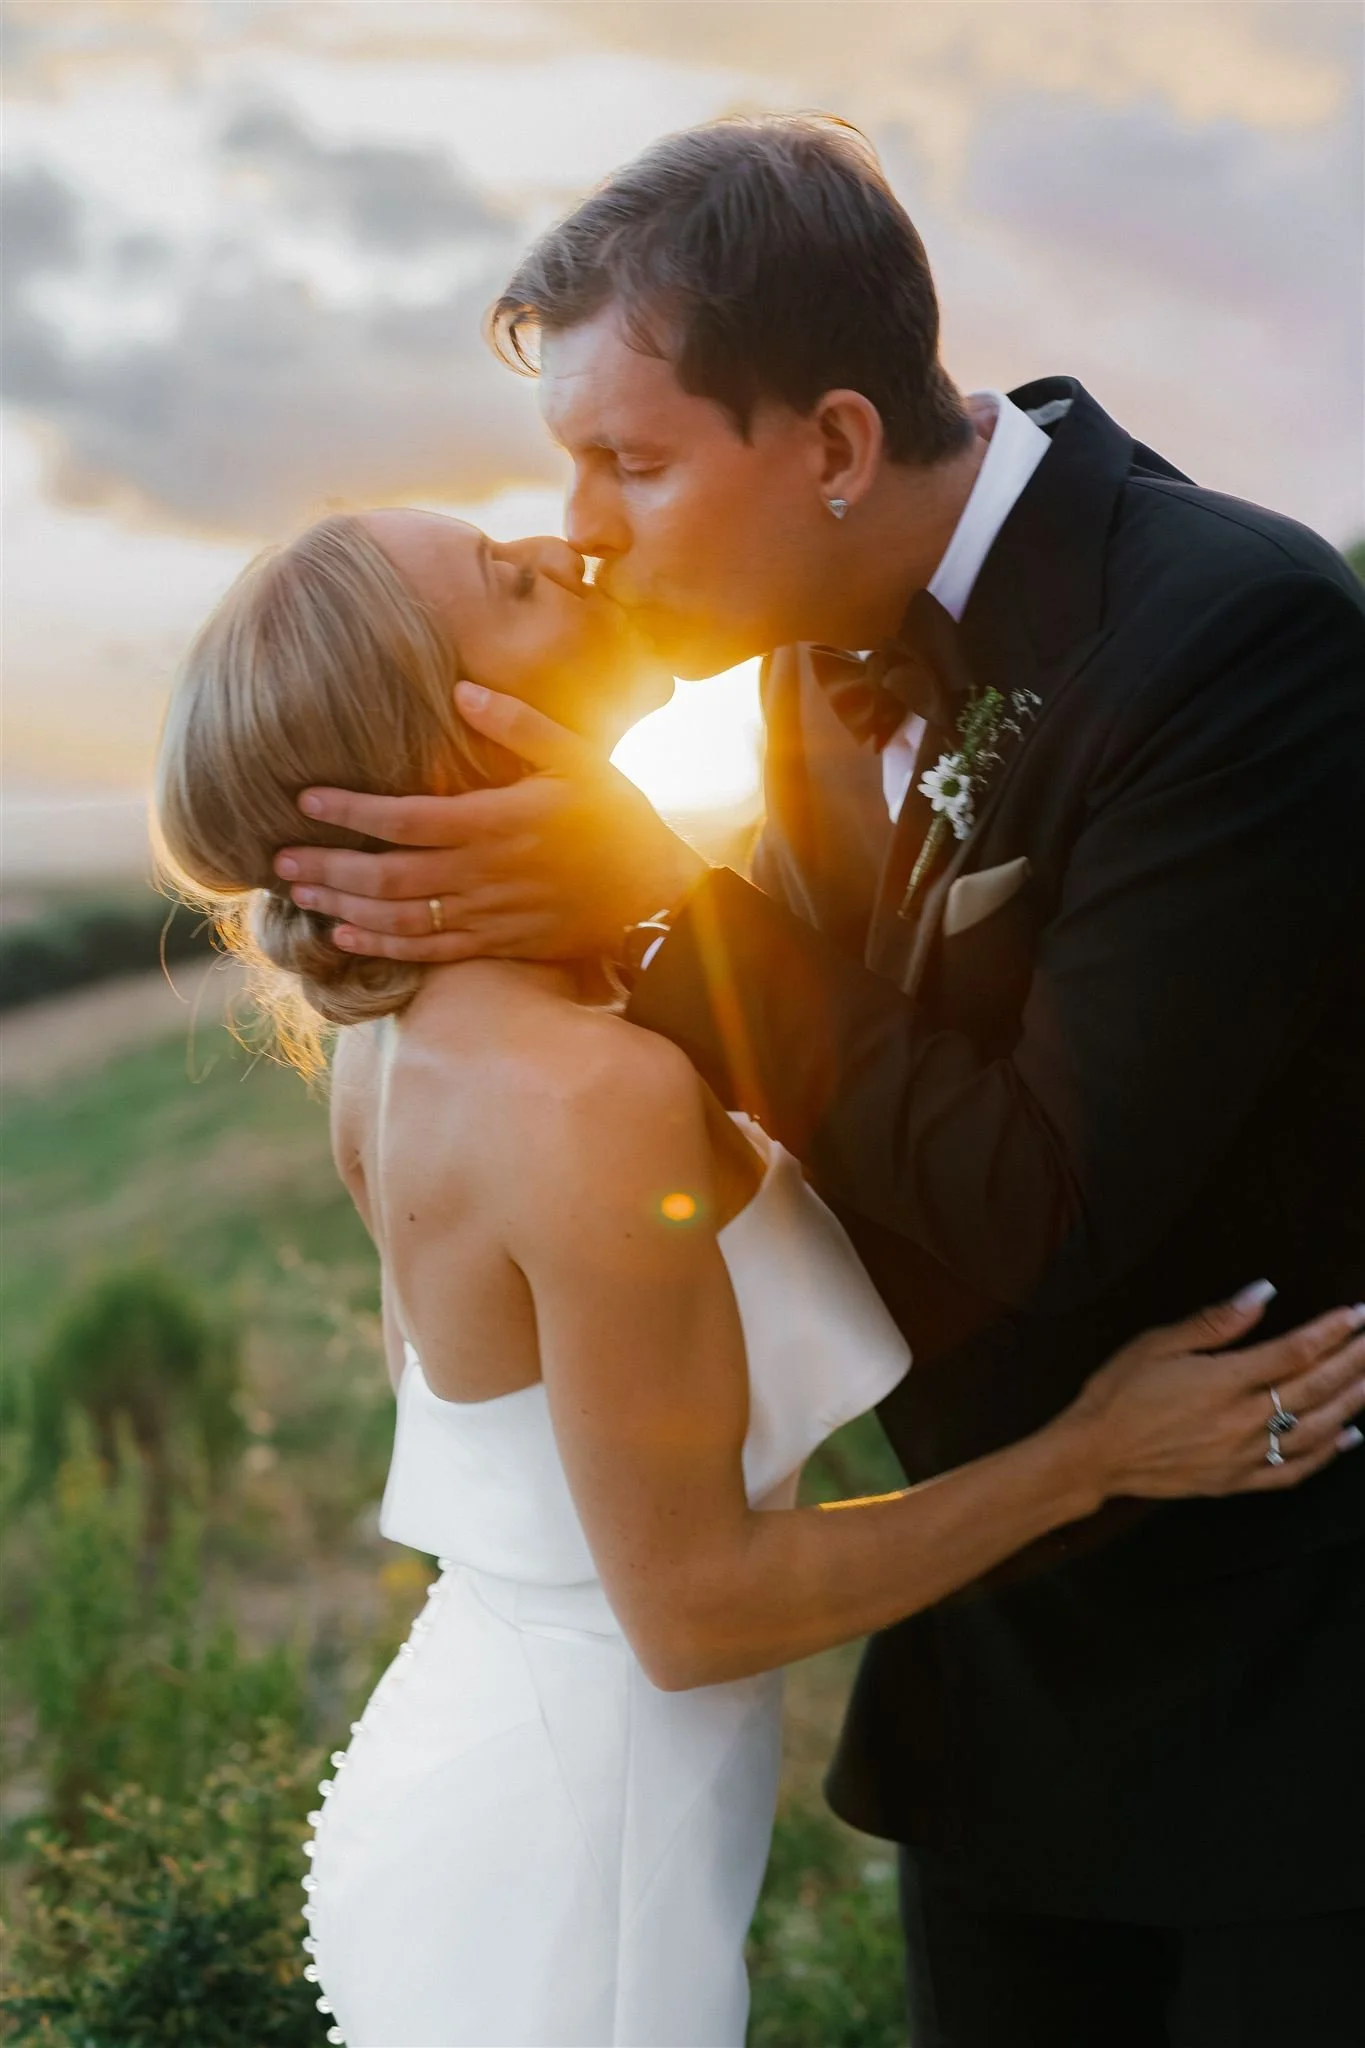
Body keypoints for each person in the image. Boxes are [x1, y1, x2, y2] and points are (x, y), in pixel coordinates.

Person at [272, 119, 1365, 2045]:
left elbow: (1047, 1194)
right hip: (992, 1694)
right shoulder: (789, 665)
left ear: (838, 445)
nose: (590, 525)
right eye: (569, 472)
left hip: (1280, 1694)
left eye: (631, 461)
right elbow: (829, 1103)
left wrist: (671, 916)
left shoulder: (1235, 637)